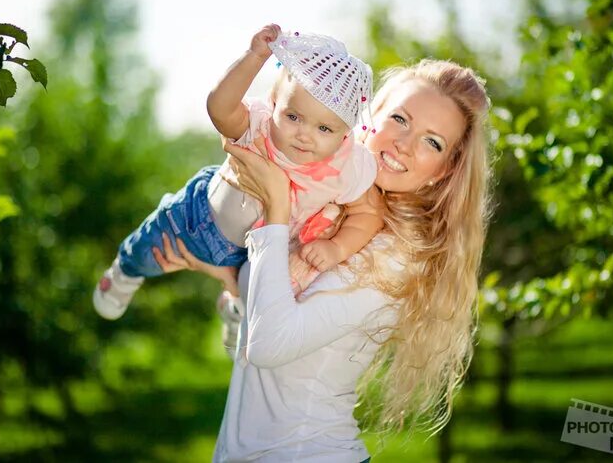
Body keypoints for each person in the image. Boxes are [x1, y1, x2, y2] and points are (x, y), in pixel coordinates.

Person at [154, 59, 493, 462]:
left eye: (432, 142)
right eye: (400, 118)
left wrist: (276, 204)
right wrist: (230, 279)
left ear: (444, 170)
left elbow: (269, 347)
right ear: (369, 116)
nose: (404, 142)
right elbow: (266, 372)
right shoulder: (327, 207)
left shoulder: (398, 258)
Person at [92, 25, 387, 321]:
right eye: (293, 116)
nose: (304, 135)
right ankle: (123, 273)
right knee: (148, 253)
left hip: (254, 255)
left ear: (346, 133)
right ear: (274, 103)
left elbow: (368, 214)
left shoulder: (347, 165)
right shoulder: (259, 127)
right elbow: (219, 109)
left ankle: (233, 309)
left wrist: (337, 247)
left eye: (324, 128)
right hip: (196, 219)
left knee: (263, 296)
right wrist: (253, 57)